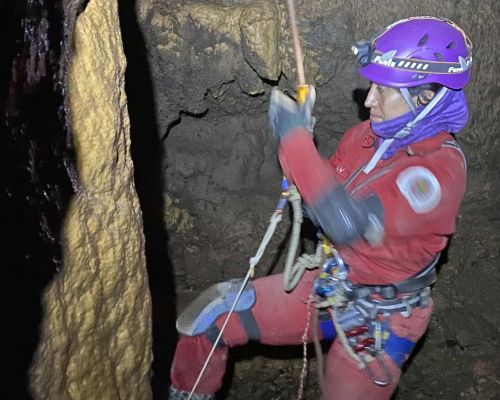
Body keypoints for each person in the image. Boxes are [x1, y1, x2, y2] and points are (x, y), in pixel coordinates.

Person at [168, 16, 472, 400]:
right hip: (332, 282)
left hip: (382, 317)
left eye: (383, 90)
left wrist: (295, 139)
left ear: (425, 97)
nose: (369, 100)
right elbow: (319, 201)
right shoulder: (366, 136)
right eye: (372, 86)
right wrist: (301, 147)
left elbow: (344, 222)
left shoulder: (437, 172)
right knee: (211, 317)